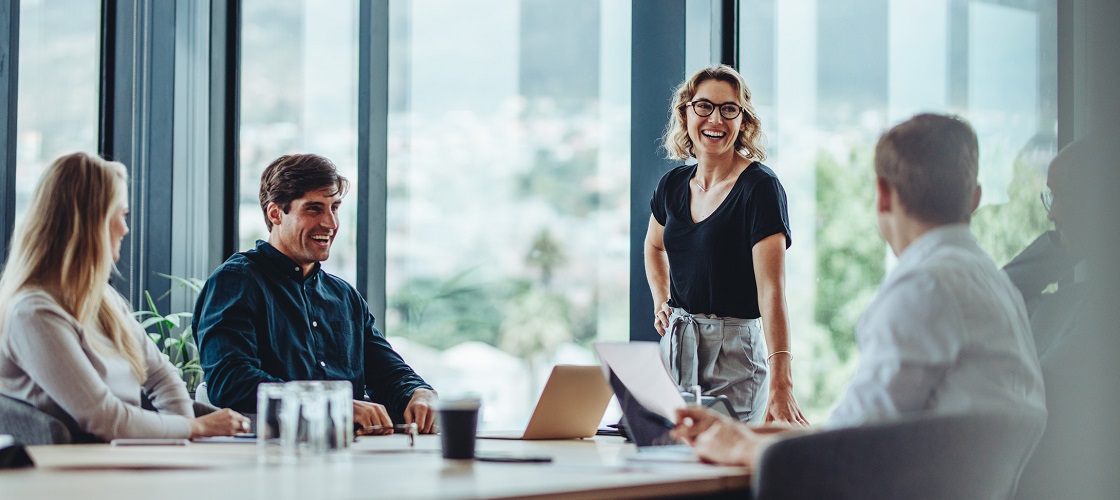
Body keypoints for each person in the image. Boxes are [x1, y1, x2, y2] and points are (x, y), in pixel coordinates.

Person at [672, 113, 1046, 467]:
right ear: (974, 199)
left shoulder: (924, 288)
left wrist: (738, 445)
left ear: (882, 195)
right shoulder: (994, 284)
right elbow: (864, 429)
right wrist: (747, 434)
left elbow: (848, 453)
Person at [0, 152, 249, 441]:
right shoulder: (34, 313)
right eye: (121, 215)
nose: (125, 228)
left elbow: (161, 375)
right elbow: (103, 418)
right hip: (72, 472)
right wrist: (195, 427)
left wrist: (182, 438)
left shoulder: (101, 298)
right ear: (90, 223)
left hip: (120, 457)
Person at [194, 153, 437, 434]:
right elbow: (231, 381)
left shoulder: (344, 296)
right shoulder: (236, 281)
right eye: (314, 209)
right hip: (269, 457)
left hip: (352, 455)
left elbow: (387, 372)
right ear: (276, 213)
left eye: (334, 208)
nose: (331, 223)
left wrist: (419, 392)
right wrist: (334, 404)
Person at [645, 64, 805, 424]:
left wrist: (783, 382)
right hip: (676, 346)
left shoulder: (760, 188)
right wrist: (661, 300)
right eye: (704, 106)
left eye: (728, 109)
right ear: (686, 113)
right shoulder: (671, 185)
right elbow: (654, 247)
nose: (714, 119)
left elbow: (772, 291)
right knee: (671, 464)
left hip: (734, 354)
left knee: (725, 471)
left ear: (743, 120)